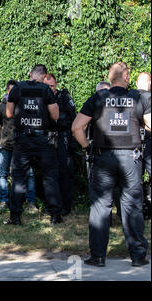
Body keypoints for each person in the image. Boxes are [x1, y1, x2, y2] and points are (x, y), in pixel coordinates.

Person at [72, 62, 150, 267]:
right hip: (130, 159)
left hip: (103, 159)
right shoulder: (138, 98)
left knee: (100, 207)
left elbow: (77, 127)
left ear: (110, 77)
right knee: (132, 206)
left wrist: (87, 147)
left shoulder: (97, 99)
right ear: (125, 78)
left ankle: (98, 256)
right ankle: (138, 256)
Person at [5, 64, 62, 225]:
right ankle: (55, 216)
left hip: (22, 139)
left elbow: (9, 113)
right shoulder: (46, 90)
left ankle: (15, 217)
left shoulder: (16, 89)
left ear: (30, 74)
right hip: (42, 139)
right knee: (50, 177)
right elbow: (55, 115)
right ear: (44, 77)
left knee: (18, 178)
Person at [0, 79, 36, 212]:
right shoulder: (1, 107)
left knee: (29, 174)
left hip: (22, 145)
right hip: (5, 145)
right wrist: (2, 139)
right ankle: (3, 201)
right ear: (7, 90)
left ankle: (30, 202)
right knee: (2, 174)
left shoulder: (24, 105)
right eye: (11, 90)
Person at [43, 74, 77, 216]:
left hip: (63, 137)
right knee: (49, 173)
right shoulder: (41, 97)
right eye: (47, 86)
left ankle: (65, 206)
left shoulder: (64, 97)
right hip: (48, 137)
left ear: (56, 85)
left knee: (65, 172)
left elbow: (73, 117)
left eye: (52, 86)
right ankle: (52, 204)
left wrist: (73, 140)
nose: (50, 89)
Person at [136, 72, 151, 220]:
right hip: (148, 142)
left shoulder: (129, 96)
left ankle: (139, 209)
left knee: (134, 179)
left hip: (131, 144)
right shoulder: (148, 98)